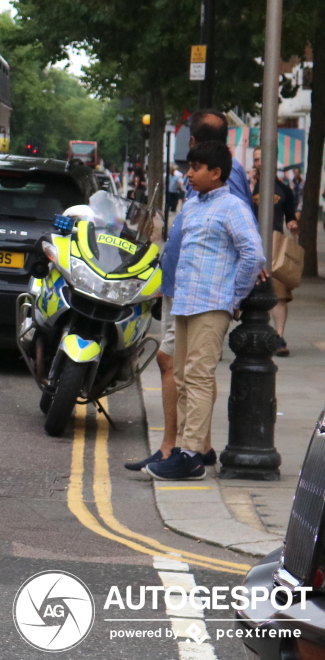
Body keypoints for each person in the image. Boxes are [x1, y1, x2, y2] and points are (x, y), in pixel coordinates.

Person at [126, 110, 253, 473]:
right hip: (185, 298)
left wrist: (234, 296)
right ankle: (188, 447)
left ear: (215, 173)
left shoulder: (232, 206)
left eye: (196, 167)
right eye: (189, 167)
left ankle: (191, 456)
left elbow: (252, 253)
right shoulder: (197, 202)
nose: (188, 173)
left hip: (211, 302)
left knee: (197, 376)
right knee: (181, 374)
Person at [250, 147, 298, 355]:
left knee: (279, 292)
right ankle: (253, 333)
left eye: (262, 158)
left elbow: (291, 216)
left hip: (276, 244)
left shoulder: (283, 189)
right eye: (256, 159)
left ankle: (278, 336)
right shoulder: (249, 186)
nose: (259, 162)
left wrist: (294, 224)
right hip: (251, 243)